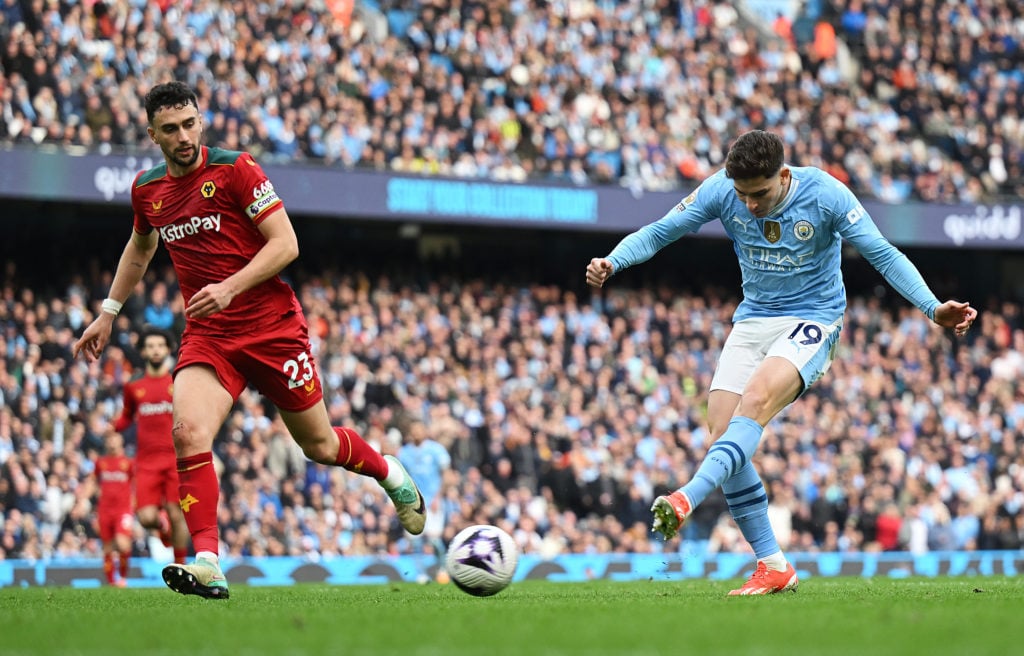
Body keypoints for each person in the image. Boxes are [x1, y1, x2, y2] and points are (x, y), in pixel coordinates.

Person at [72, 81, 426, 600]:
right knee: (188, 431)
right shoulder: (148, 190)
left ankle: (391, 473)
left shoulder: (236, 169)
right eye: (170, 129)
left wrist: (230, 287)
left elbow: (287, 243)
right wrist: (107, 313)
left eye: (190, 123)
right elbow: (139, 248)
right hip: (210, 336)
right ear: (152, 134)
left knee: (320, 445)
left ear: (201, 121)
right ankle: (209, 563)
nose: (184, 135)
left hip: (273, 330)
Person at [585, 129, 976, 596]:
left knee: (754, 402)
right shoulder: (721, 191)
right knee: (721, 435)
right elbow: (661, 230)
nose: (749, 205)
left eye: (760, 194)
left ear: (784, 176)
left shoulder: (826, 195)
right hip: (753, 320)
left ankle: (687, 495)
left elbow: (883, 255)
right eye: (742, 195)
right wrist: (614, 260)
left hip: (813, 318)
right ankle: (773, 565)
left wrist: (933, 308)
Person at [113, 326, 189, 565]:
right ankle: (161, 525)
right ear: (143, 351)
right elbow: (127, 416)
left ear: (168, 350)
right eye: (150, 346)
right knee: (146, 518)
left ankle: (181, 566)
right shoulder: (133, 385)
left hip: (174, 459)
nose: (155, 351)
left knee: (178, 513)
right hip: (145, 462)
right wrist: (112, 427)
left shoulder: (178, 381)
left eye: (160, 346)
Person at [93, 431, 134, 587]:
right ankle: (111, 582)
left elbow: (136, 483)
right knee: (108, 546)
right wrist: (82, 498)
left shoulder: (128, 463)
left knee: (122, 543)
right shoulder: (101, 462)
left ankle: (123, 577)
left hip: (123, 510)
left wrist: (136, 502)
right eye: (108, 438)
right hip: (104, 510)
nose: (111, 441)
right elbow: (93, 481)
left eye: (114, 438)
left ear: (121, 440)